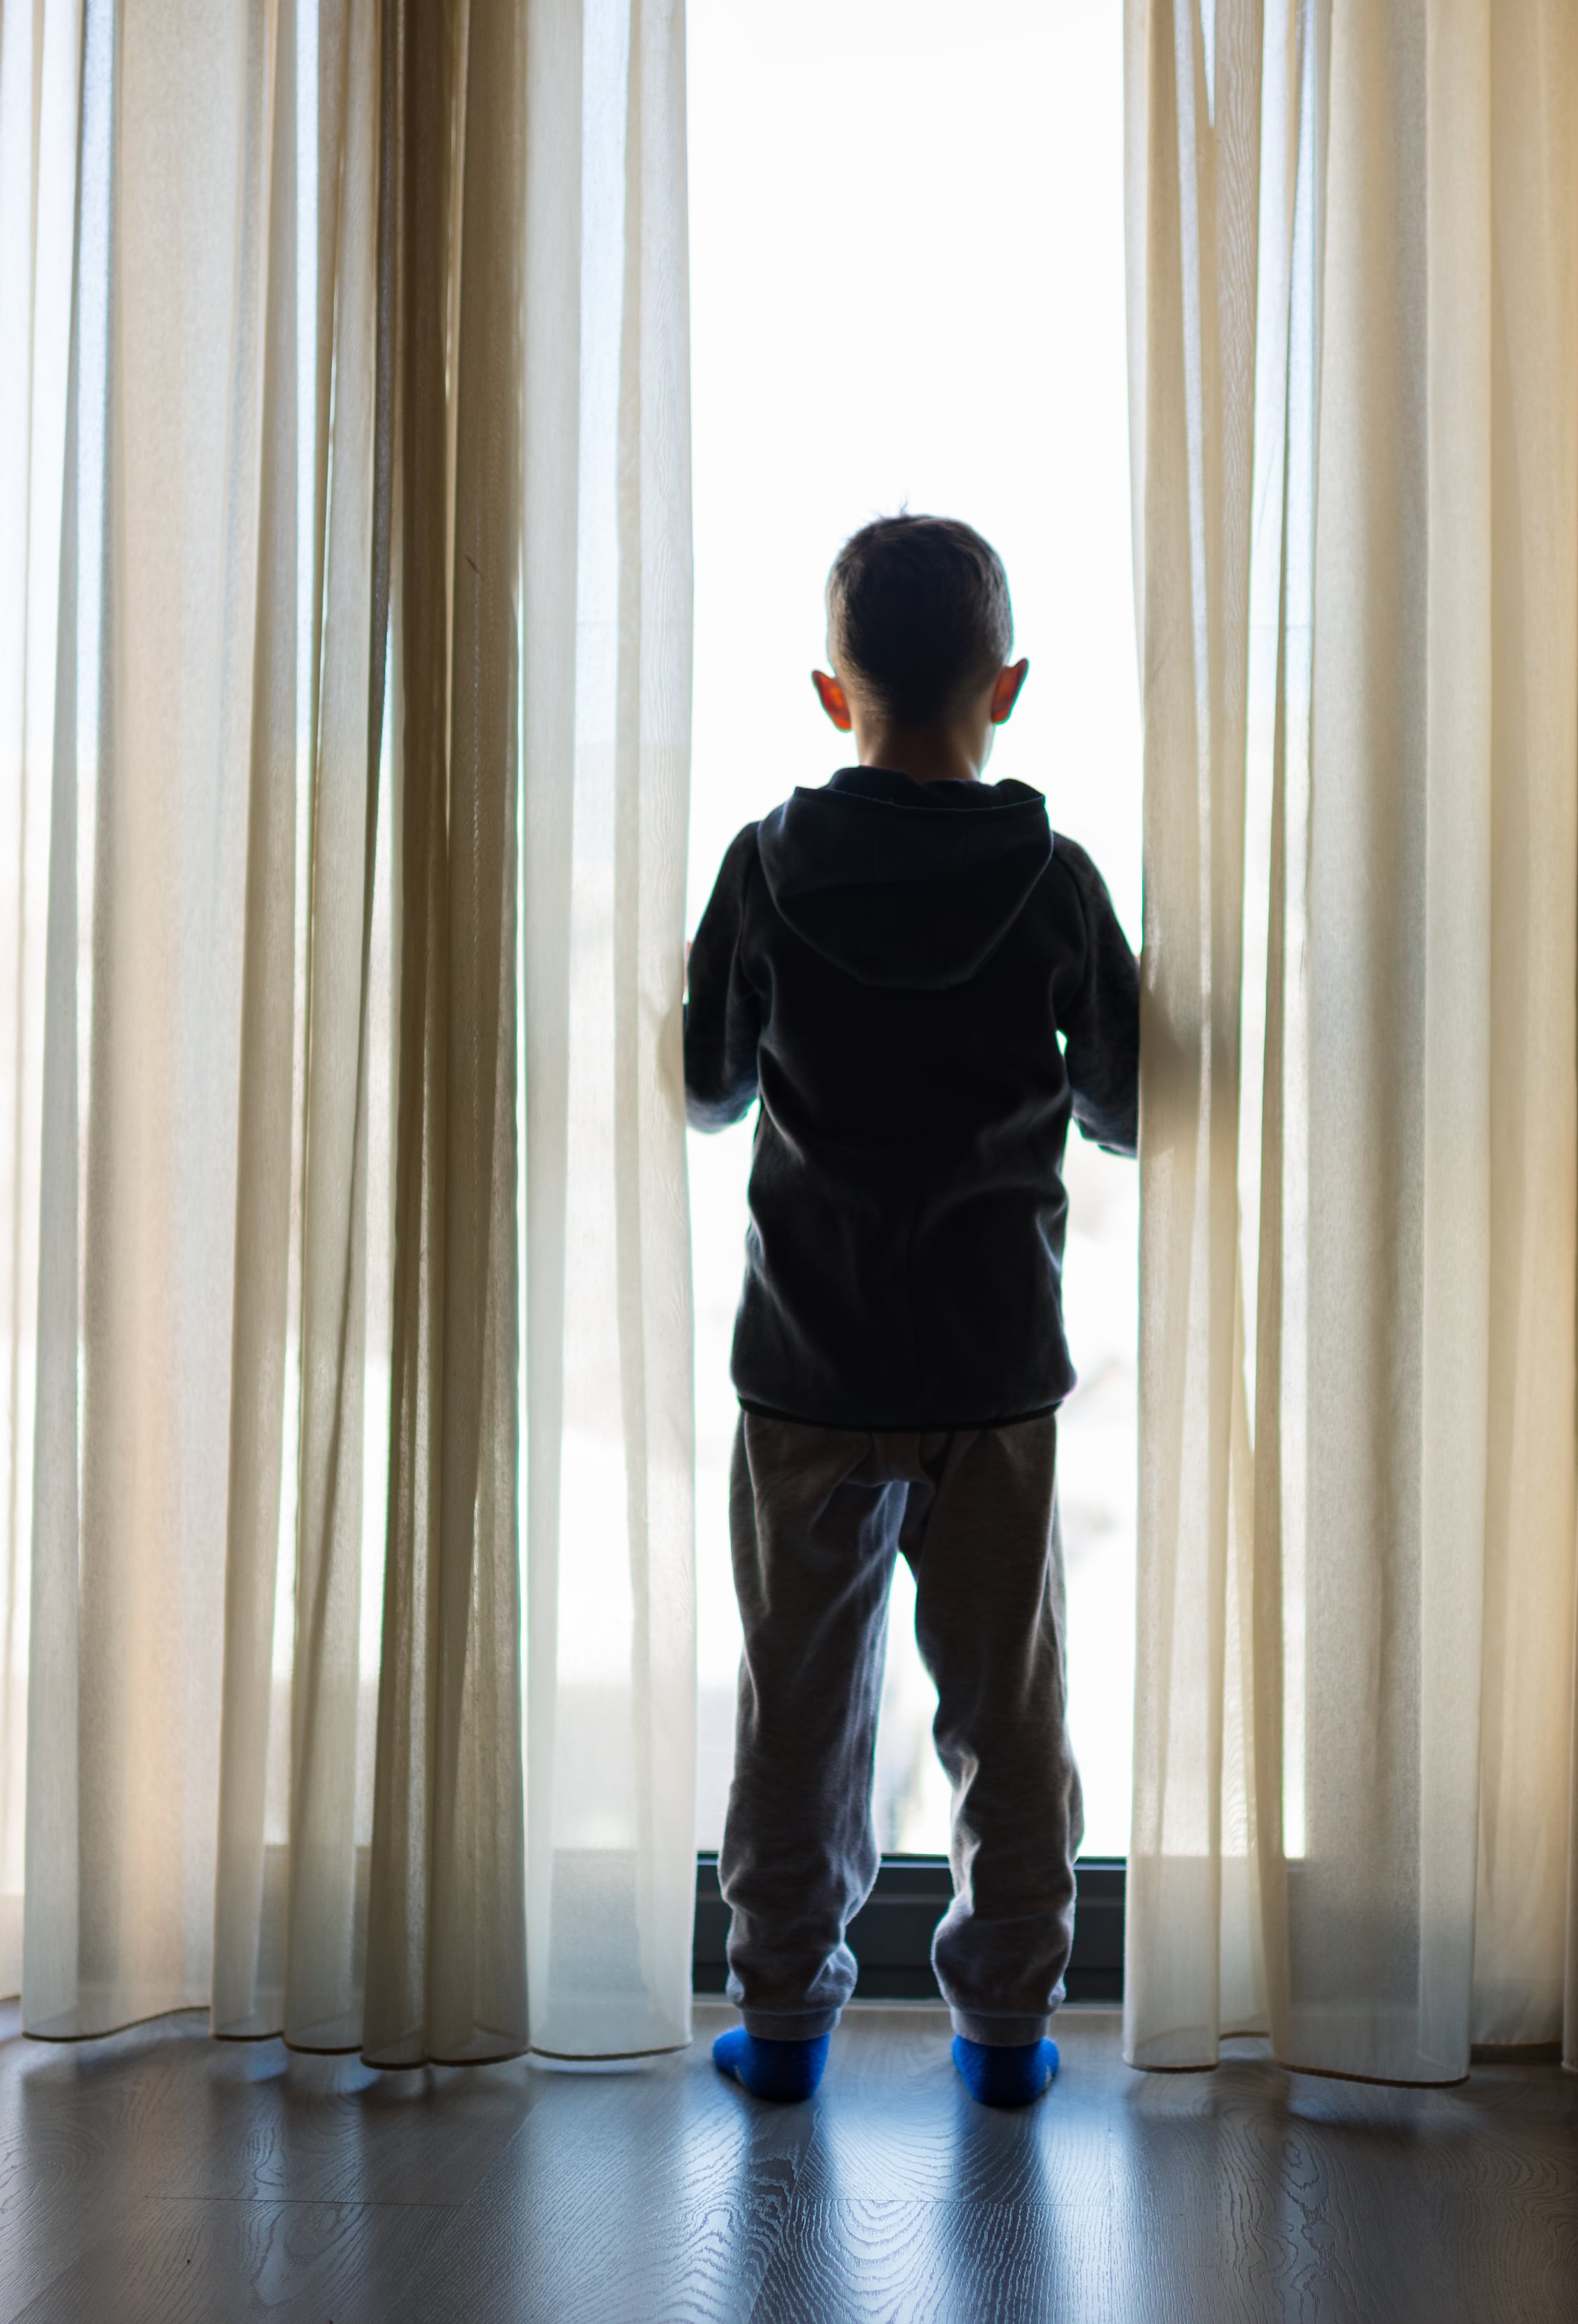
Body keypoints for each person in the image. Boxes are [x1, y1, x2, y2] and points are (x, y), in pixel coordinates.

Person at [683, 513, 1140, 2108]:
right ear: (1003, 685)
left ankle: (785, 2021)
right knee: (1005, 1707)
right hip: (993, 1365)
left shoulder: (769, 862)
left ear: (833, 693)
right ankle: (1007, 2026)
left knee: (798, 1709)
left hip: (806, 1365)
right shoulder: (1053, 878)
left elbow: (705, 1084)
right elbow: (1132, 1105)